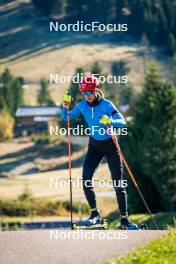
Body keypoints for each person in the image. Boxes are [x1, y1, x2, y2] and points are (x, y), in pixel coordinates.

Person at [61, 75, 138, 229]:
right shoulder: (83, 105)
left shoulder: (107, 105)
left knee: (118, 184)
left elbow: (122, 121)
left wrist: (110, 121)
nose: (87, 96)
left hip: (111, 146)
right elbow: (66, 118)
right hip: (94, 147)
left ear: (96, 90)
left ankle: (124, 220)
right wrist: (65, 105)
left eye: (89, 92)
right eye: (84, 93)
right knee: (86, 180)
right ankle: (95, 214)